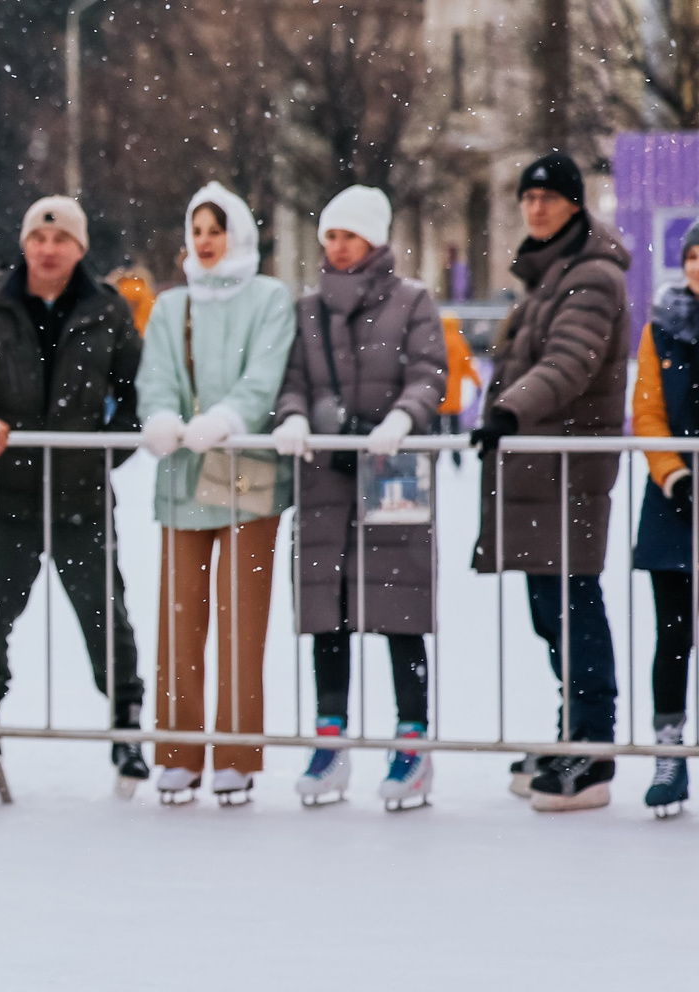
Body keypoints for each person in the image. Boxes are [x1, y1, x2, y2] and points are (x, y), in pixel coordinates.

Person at [0, 195, 147, 793]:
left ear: (79, 248)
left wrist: (107, 448)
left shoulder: (106, 309)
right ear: (24, 243)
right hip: (9, 497)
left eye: (61, 240)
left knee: (105, 615)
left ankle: (126, 723)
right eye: (39, 238)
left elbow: (138, 394)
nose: (48, 249)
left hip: (81, 495)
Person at [269, 186, 446, 811]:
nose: (336, 246)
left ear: (372, 239)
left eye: (346, 235)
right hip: (327, 479)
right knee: (328, 611)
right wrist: (292, 417)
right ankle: (330, 737)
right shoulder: (307, 308)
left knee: (401, 607)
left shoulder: (413, 301)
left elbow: (430, 372)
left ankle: (412, 741)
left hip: (390, 471)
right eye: (329, 237)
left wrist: (403, 417)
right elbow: (290, 380)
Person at [474, 149, 632, 812]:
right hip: (542, 469)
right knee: (553, 610)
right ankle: (572, 731)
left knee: (574, 607)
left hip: (568, 468)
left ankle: (593, 748)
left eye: (549, 197)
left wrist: (510, 408)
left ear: (575, 204)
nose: (535, 208)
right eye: (528, 198)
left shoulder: (592, 277)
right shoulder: (549, 276)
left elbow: (569, 363)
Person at [137, 183, 296, 807]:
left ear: (239, 234)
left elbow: (266, 373)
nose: (204, 241)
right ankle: (176, 752)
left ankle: (235, 753)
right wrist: (159, 418)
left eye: (216, 228)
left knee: (241, 618)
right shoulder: (171, 306)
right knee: (179, 619)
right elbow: (156, 377)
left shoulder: (268, 298)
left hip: (247, 469)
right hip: (183, 475)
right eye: (196, 229)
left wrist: (229, 418)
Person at [631, 233, 699, 816]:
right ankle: (669, 751)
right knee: (673, 634)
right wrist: (674, 475)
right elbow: (648, 410)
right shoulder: (662, 328)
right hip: (672, 498)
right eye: (693, 257)